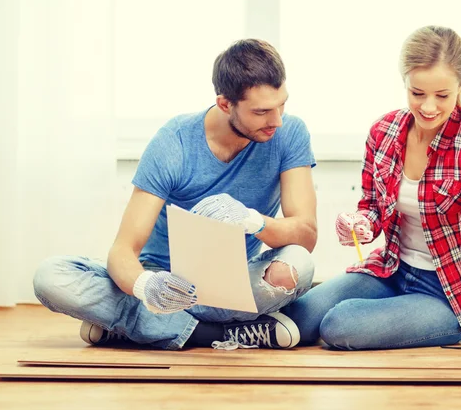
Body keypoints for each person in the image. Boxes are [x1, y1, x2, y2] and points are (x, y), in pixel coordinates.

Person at [283, 26, 461, 358]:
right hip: (393, 269)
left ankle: (416, 319)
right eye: (417, 93)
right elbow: (372, 206)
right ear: (404, 84)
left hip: (447, 292)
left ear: (460, 86)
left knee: (338, 325)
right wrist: (361, 223)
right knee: (299, 315)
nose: (428, 107)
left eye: (442, 95)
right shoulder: (383, 131)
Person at [33, 39, 317, 350]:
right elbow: (123, 251)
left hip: (232, 283)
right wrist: (145, 285)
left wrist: (252, 221)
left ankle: (134, 325)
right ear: (225, 104)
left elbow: (305, 236)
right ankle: (220, 334)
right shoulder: (174, 143)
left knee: (298, 266)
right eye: (261, 111)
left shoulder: (289, 133)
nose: (276, 120)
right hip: (163, 280)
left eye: (282, 105)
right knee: (51, 277)